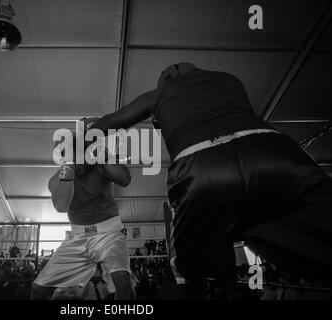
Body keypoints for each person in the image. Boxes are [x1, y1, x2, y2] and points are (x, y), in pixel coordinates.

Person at [89, 62, 332, 296]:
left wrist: (88, 131)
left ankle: (204, 283)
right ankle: (234, 286)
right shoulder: (230, 80)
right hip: (275, 153)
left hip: (203, 166)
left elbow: (108, 123)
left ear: (167, 79)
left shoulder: (160, 92)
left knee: (184, 272)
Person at [31, 139, 135, 300]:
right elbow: (61, 207)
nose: (72, 160)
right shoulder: (56, 180)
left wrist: (103, 152)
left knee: (123, 282)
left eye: (75, 154)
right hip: (77, 238)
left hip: (110, 234)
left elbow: (125, 179)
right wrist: (67, 178)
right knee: (38, 289)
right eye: (65, 157)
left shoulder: (100, 166)